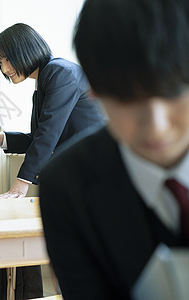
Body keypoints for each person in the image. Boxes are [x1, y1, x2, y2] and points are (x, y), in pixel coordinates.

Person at [39, 0, 189, 299]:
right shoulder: (68, 187)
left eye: (172, 91)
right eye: (127, 99)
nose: (156, 125)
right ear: (93, 90)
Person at [0, 23, 105, 299]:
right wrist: (0, 138)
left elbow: (48, 134)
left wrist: (21, 184)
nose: (4, 69)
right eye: (0, 63)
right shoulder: (45, 81)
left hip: (97, 178)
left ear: (23, 50)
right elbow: (40, 136)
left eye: (6, 60)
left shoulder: (59, 73)